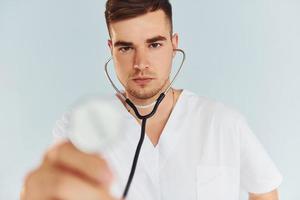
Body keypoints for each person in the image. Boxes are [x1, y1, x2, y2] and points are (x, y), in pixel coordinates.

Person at [21, 0, 282, 199]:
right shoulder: (78, 131)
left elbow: (266, 191)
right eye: (126, 47)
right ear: (111, 50)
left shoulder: (223, 122)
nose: (141, 64)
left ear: (173, 44)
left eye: (154, 45)